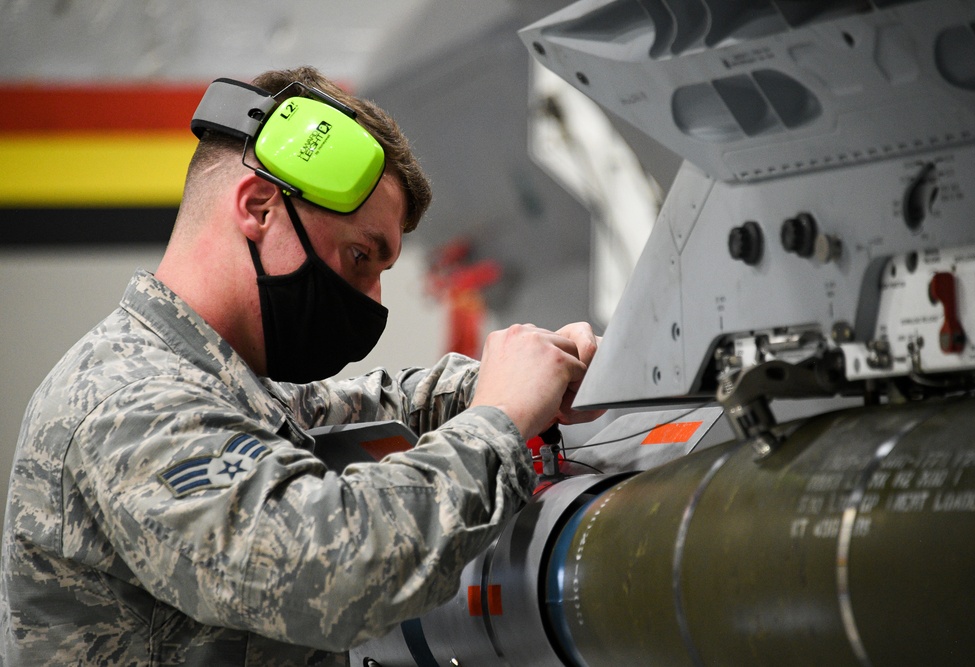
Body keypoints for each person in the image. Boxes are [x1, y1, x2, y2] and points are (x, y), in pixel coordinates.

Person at [0, 65, 602, 666]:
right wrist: (497, 420)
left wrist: (523, 370)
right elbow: (336, 571)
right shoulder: (129, 404)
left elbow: (367, 409)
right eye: (359, 256)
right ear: (259, 208)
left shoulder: (219, 385)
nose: (372, 301)